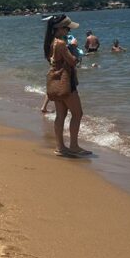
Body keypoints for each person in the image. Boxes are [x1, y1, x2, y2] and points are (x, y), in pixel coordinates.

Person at [43, 14, 90, 157]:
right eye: (67, 29)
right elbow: (73, 61)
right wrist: (74, 48)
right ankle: (74, 146)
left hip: (55, 82)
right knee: (77, 113)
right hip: (66, 82)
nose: (68, 32)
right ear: (60, 28)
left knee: (60, 115)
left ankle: (60, 147)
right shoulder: (61, 44)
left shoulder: (50, 42)